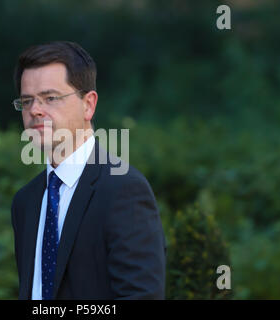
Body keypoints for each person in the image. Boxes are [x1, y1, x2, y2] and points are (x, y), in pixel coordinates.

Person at [10, 41, 166, 300]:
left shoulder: (123, 190)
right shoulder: (25, 202)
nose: (35, 110)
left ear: (88, 104)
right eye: (27, 101)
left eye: (50, 98)